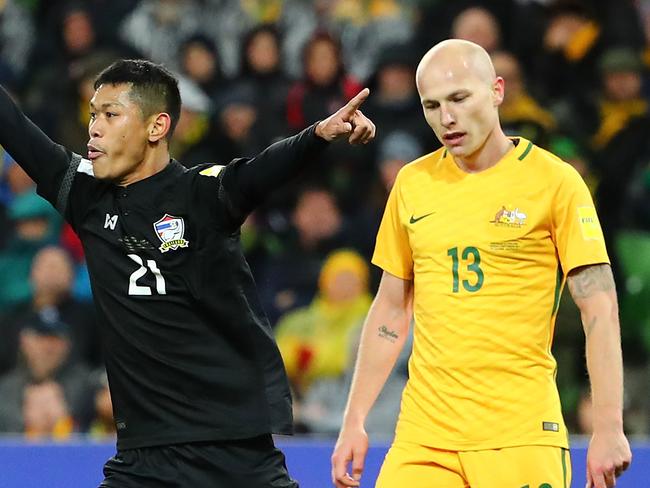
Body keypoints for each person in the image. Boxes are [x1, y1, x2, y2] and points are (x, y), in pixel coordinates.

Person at [0, 58, 375, 487]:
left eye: (110, 114)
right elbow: (16, 129)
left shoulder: (201, 194)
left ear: (156, 127)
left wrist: (317, 135)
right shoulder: (86, 197)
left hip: (232, 449)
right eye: (92, 115)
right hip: (143, 458)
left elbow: (257, 174)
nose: (94, 129)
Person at [331, 39, 631, 488]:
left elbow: (599, 308)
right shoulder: (412, 184)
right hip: (424, 439)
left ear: (496, 91)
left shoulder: (556, 183)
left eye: (459, 98)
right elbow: (391, 309)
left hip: (520, 436)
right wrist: (354, 418)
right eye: (431, 105)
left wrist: (608, 427)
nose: (446, 118)